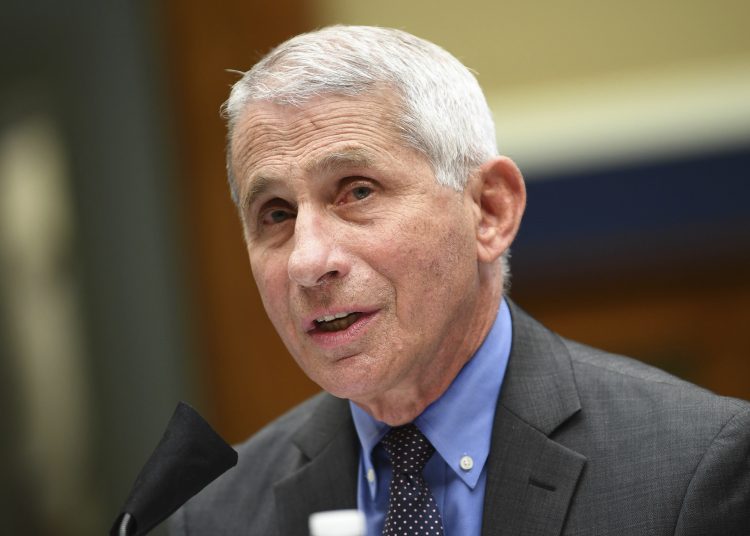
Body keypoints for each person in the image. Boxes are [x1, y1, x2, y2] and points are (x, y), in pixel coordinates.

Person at [170, 26, 750, 535]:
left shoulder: (691, 470)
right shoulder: (217, 516)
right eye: (276, 213)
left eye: (357, 191)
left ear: (490, 210)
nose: (307, 260)